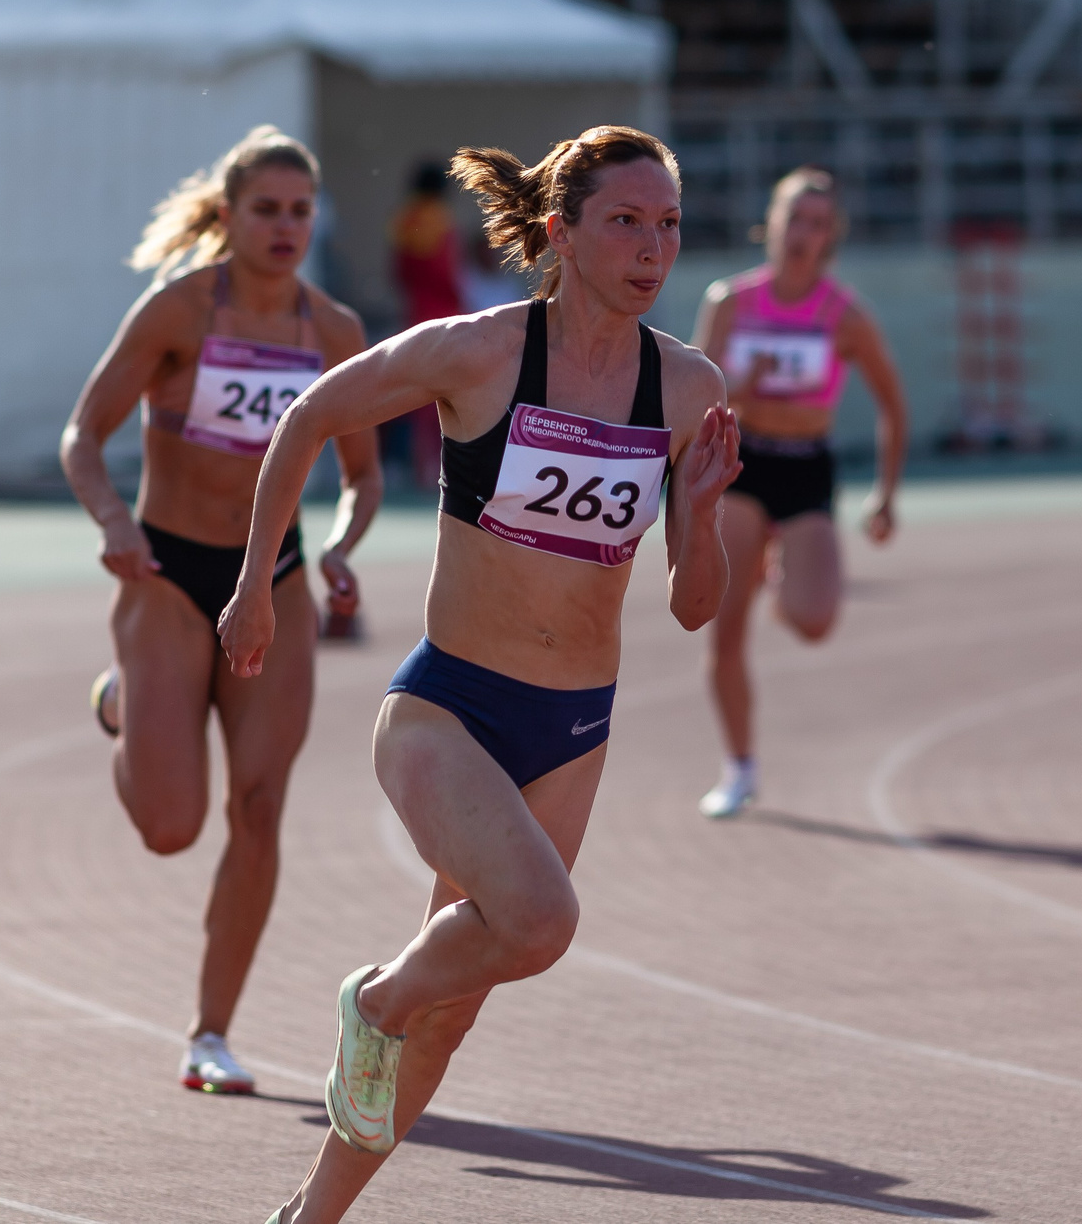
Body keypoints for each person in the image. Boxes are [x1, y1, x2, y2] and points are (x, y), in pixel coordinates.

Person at [218, 127, 738, 1224]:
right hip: (447, 711)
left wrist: (697, 513)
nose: (653, 249)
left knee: (453, 1015)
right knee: (538, 923)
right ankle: (376, 997)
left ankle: (310, 1217)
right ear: (561, 234)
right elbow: (309, 416)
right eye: (625, 223)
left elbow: (694, 605)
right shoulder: (480, 352)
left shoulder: (687, 387)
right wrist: (257, 582)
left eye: (669, 224)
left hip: (573, 731)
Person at [59, 127, 383, 1099]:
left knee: (261, 806)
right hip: (166, 573)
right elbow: (83, 435)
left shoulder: (335, 332)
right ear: (229, 216)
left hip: (272, 579)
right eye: (266, 210)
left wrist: (340, 546)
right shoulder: (179, 310)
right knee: (171, 827)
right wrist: (113, 520)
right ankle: (124, 698)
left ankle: (211, 1032)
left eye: (300, 211)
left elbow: (363, 477)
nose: (285, 227)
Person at [689, 168, 908, 821]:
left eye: (818, 223)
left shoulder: (845, 315)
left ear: (830, 237)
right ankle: (739, 768)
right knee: (725, 630)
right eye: (794, 219)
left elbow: (893, 405)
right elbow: (694, 396)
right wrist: (742, 384)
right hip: (743, 462)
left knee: (814, 621)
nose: (803, 234)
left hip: (807, 465)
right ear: (772, 224)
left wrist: (885, 495)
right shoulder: (732, 300)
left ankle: (781, 572)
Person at [388, 161, 467, 488]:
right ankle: (436, 465)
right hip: (442, 310)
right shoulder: (438, 217)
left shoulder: (404, 218)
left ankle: (417, 464)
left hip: (415, 310)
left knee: (415, 389)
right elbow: (446, 272)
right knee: (447, 390)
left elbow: (399, 271)